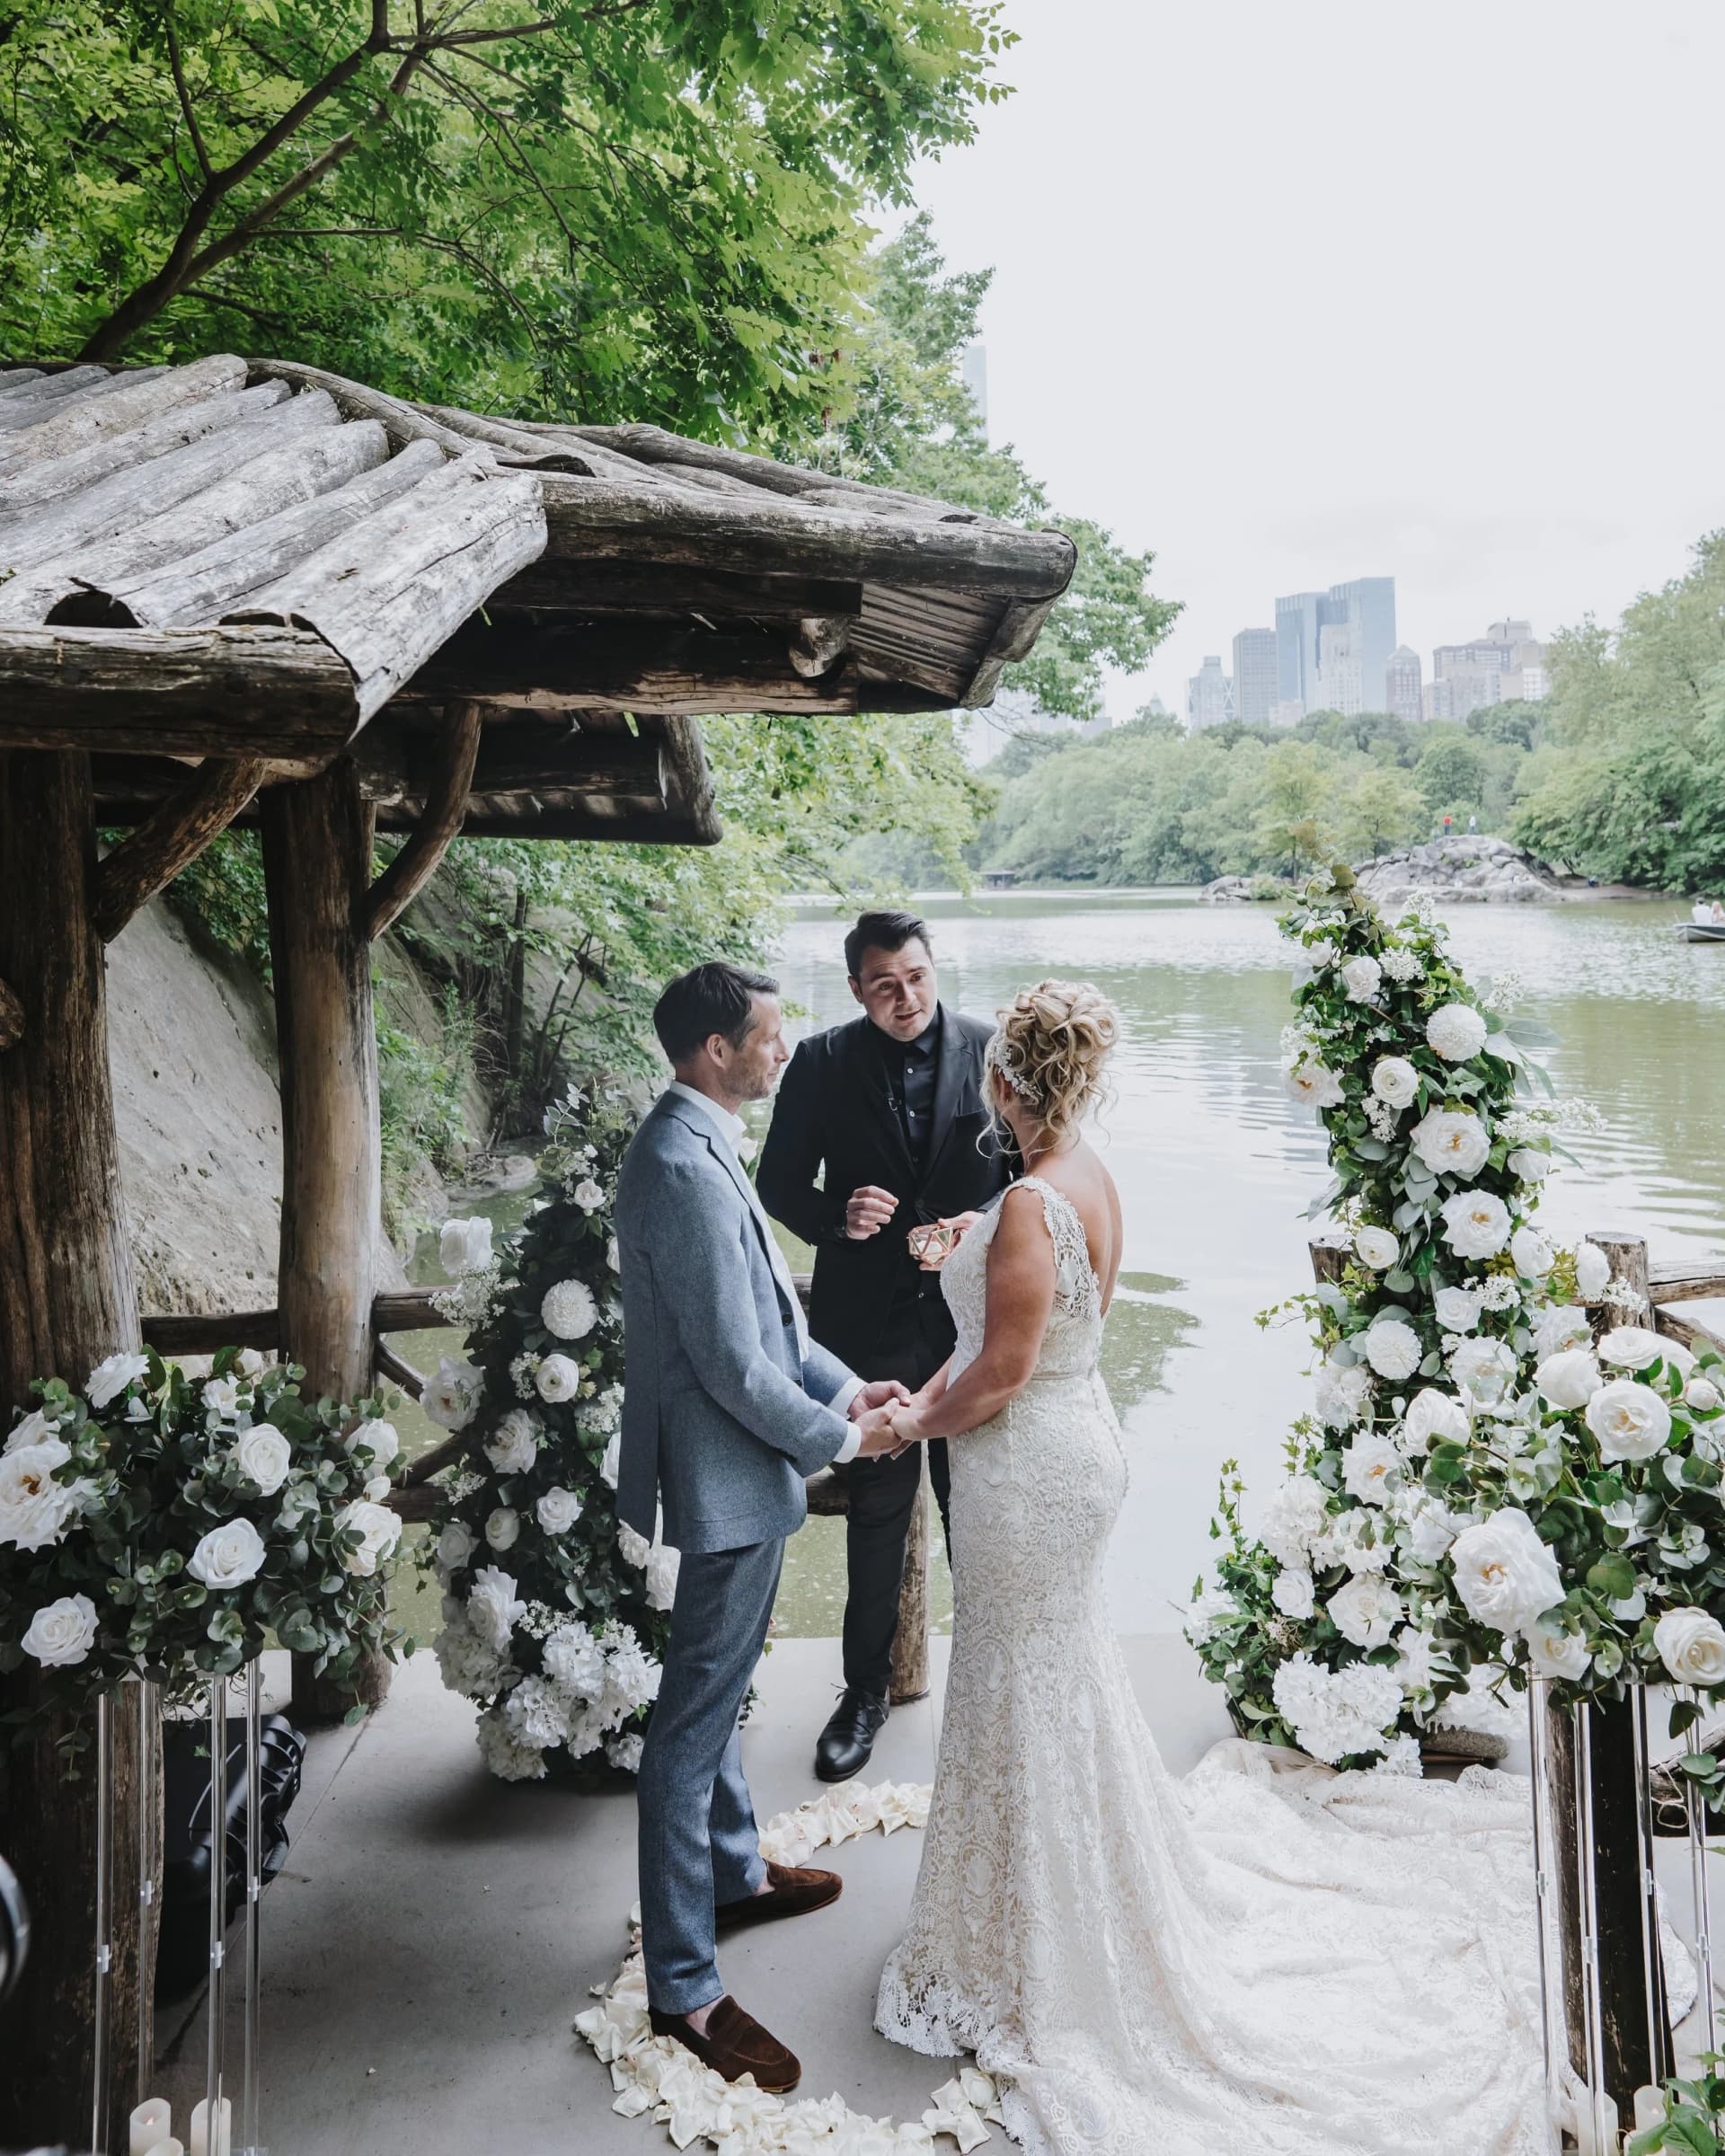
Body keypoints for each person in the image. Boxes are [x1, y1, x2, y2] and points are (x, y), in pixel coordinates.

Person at [872, 980, 1550, 2155]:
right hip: (1066, 1451)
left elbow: (1000, 1373)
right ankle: (1041, 1908)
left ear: (1002, 1080)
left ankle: (1044, 1942)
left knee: (1026, 1680)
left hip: (1027, 1468)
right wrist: (957, 1275)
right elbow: (1029, 1330)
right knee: (1048, 1680)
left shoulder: (1031, 1201)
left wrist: (903, 1425)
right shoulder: (1085, 1175)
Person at [614, 961, 906, 2096]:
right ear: (712, 1051)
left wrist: (850, 1390)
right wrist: (847, 1442)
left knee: (720, 1686)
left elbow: (777, 1318)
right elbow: (735, 1366)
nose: (784, 1052)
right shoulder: (679, 1166)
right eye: (768, 1039)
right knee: (688, 1730)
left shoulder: (702, 1138)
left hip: (744, 1463)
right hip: (722, 1473)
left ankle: (733, 1874)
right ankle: (684, 1986)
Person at [756, 911, 1014, 1780]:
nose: (904, 999)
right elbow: (779, 1185)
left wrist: (981, 1224)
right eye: (883, 986)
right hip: (863, 1331)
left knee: (975, 1509)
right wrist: (838, 1216)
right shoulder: (823, 1063)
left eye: (915, 977)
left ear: (934, 967)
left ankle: (996, 1697)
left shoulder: (993, 1049)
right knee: (874, 1514)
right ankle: (863, 1693)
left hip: (971, 1325)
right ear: (857, 989)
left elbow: (1031, 1178)